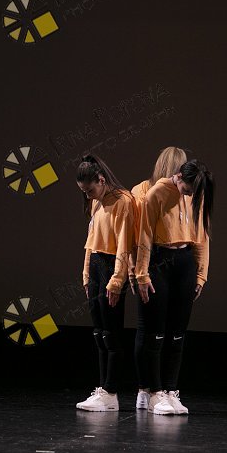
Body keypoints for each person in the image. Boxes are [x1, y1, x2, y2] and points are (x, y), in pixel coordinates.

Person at [134, 158, 214, 415]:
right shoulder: (156, 193)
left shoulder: (197, 194)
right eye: (187, 190)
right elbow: (144, 234)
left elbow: (202, 235)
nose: (189, 195)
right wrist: (142, 274)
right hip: (160, 261)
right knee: (156, 332)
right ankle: (155, 392)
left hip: (184, 261)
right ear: (179, 177)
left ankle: (171, 391)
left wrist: (200, 275)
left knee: (178, 333)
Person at [75, 154, 136, 412]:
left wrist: (117, 280)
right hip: (97, 266)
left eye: (89, 190)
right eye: (84, 192)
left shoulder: (124, 201)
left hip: (112, 267)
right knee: (99, 332)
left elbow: (124, 244)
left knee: (111, 333)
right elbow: (90, 241)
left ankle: (111, 392)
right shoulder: (96, 203)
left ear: (101, 180)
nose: (88, 196)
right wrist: (86, 274)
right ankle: (102, 389)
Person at [129, 147, 188, 410]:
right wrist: (135, 269)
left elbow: (199, 234)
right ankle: (147, 389)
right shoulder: (143, 191)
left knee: (171, 330)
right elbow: (136, 234)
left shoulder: (185, 194)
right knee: (149, 329)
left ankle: (165, 390)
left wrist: (200, 273)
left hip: (177, 261)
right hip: (152, 259)